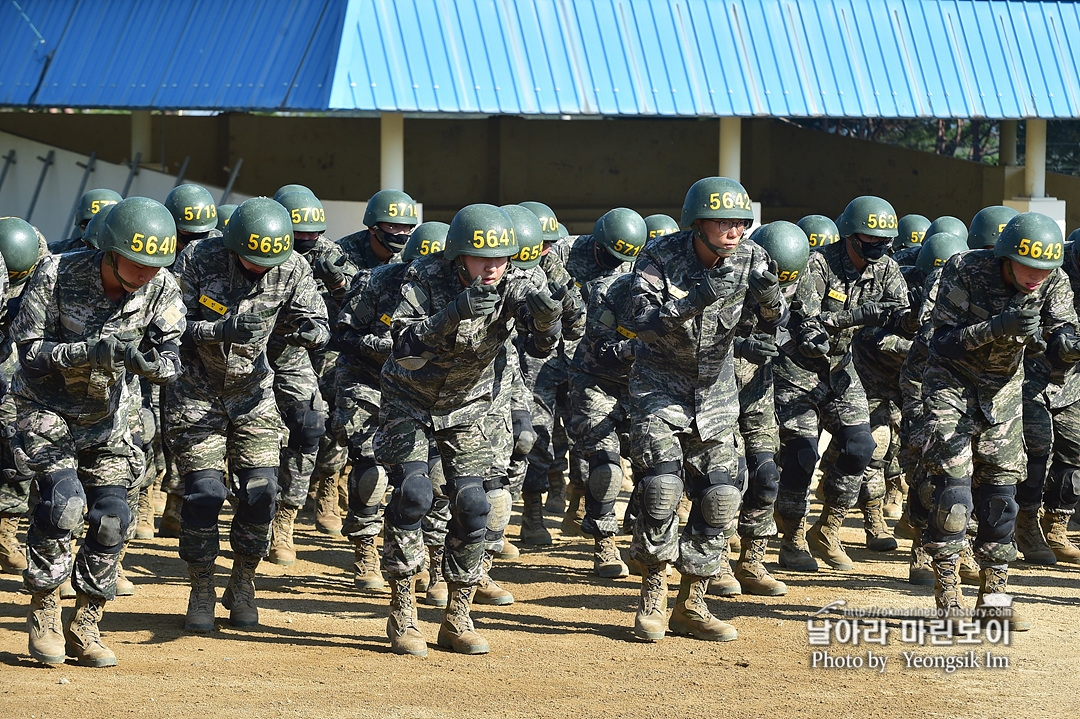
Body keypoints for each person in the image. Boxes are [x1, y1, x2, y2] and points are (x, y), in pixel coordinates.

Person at [375, 204, 562, 656]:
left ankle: (458, 616)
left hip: (470, 405)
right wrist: (453, 313)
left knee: (475, 504)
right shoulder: (423, 277)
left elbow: (541, 347)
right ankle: (403, 609)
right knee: (416, 494)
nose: (494, 267)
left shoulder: (518, 283)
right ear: (459, 256)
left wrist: (547, 319)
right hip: (411, 400)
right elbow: (401, 345)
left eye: (502, 258)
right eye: (483, 259)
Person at [16, 197, 184, 666]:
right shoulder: (56, 273)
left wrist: (150, 365)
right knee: (64, 503)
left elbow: (172, 358)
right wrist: (87, 352)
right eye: (137, 262)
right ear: (109, 252)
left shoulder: (163, 287)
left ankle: (86, 620)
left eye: (155, 265)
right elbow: (29, 352)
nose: (147, 273)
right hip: (46, 408)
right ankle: (46, 607)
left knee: (113, 517)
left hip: (109, 416)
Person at [628, 177, 786, 642]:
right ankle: (653, 594)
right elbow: (641, 323)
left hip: (717, 392)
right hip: (660, 387)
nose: (734, 231)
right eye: (722, 222)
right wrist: (698, 296)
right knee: (662, 489)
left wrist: (770, 298)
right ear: (697, 223)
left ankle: (692, 602)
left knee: (721, 495)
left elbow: (775, 320)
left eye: (740, 222)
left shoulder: (754, 258)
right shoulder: (660, 257)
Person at [167, 197, 329, 632]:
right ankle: (201, 585)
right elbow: (165, 325)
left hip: (252, 394)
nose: (260, 269)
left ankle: (242, 581)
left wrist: (311, 330)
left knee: (261, 491)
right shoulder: (198, 259)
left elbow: (317, 318)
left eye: (268, 262)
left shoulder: (291, 266)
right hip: (195, 392)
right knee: (204, 493)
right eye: (251, 260)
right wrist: (217, 329)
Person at [923, 212, 1079, 631]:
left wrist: (1065, 345)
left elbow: (1063, 331)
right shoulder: (965, 269)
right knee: (955, 493)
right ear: (1004, 256)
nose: (1036, 278)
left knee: (1001, 496)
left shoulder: (1053, 281)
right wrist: (997, 327)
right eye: (1028, 267)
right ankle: (948, 589)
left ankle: (993, 597)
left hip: (1004, 393)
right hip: (950, 386)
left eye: (1045, 270)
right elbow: (941, 342)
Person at [773, 196, 908, 573]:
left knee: (861, 446)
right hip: (798, 372)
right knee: (802, 457)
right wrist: (859, 315)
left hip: (841, 371)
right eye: (870, 237)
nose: (879, 245)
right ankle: (793, 537)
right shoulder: (817, 264)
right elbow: (807, 328)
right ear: (851, 234)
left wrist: (910, 321)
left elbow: (899, 313)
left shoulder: (886, 268)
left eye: (885, 238)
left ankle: (828, 528)